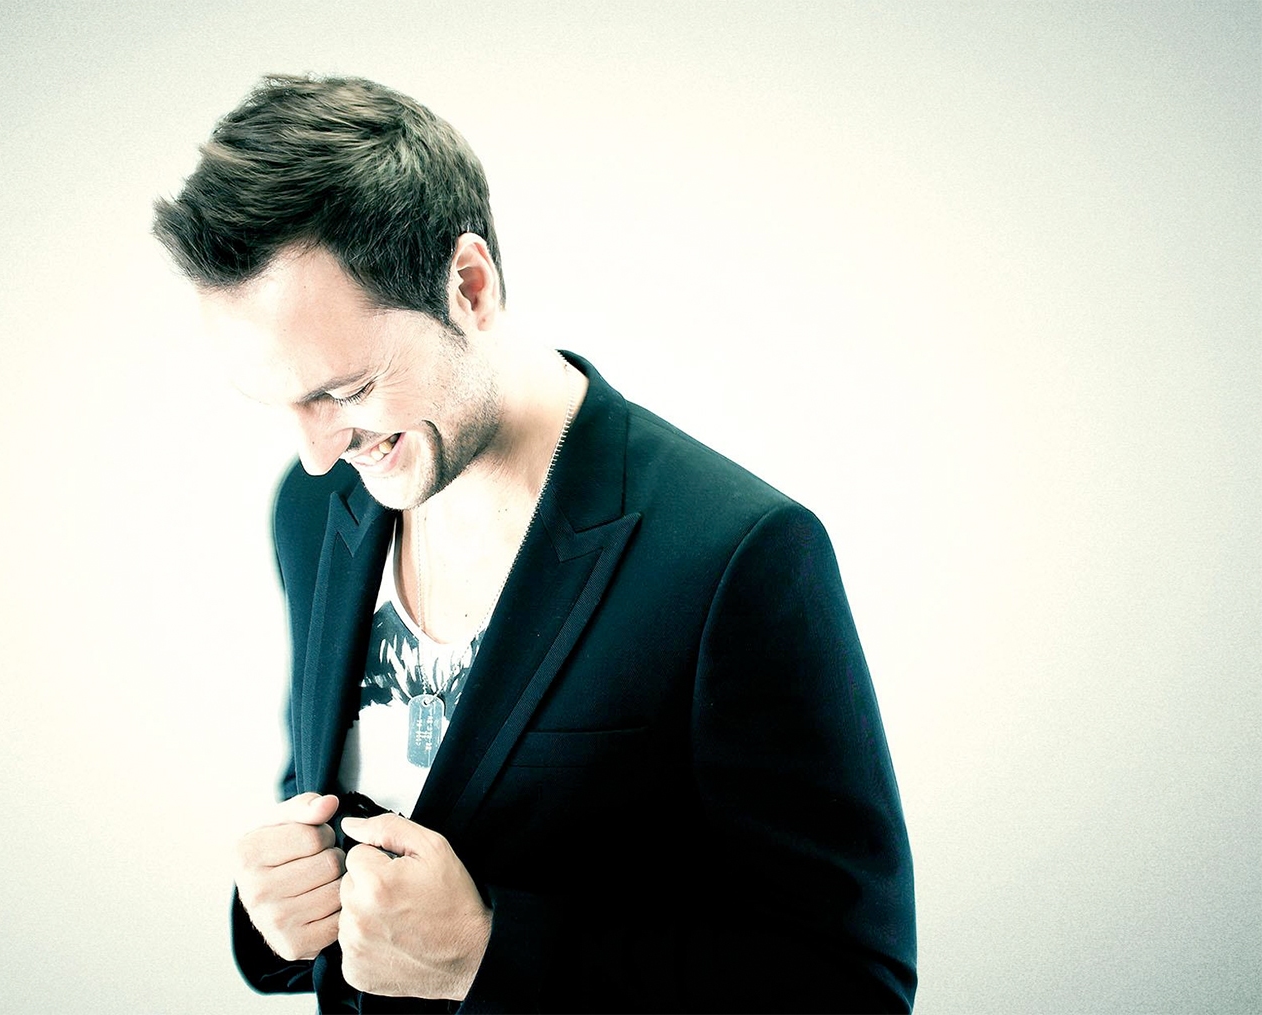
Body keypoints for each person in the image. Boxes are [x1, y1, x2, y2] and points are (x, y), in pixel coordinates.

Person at [152, 74, 916, 1013]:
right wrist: (276, 912)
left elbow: (854, 986)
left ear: (468, 287)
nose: (316, 454)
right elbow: (335, 815)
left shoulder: (737, 557)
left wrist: (490, 952)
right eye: (282, 404)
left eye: (344, 391)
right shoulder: (314, 512)